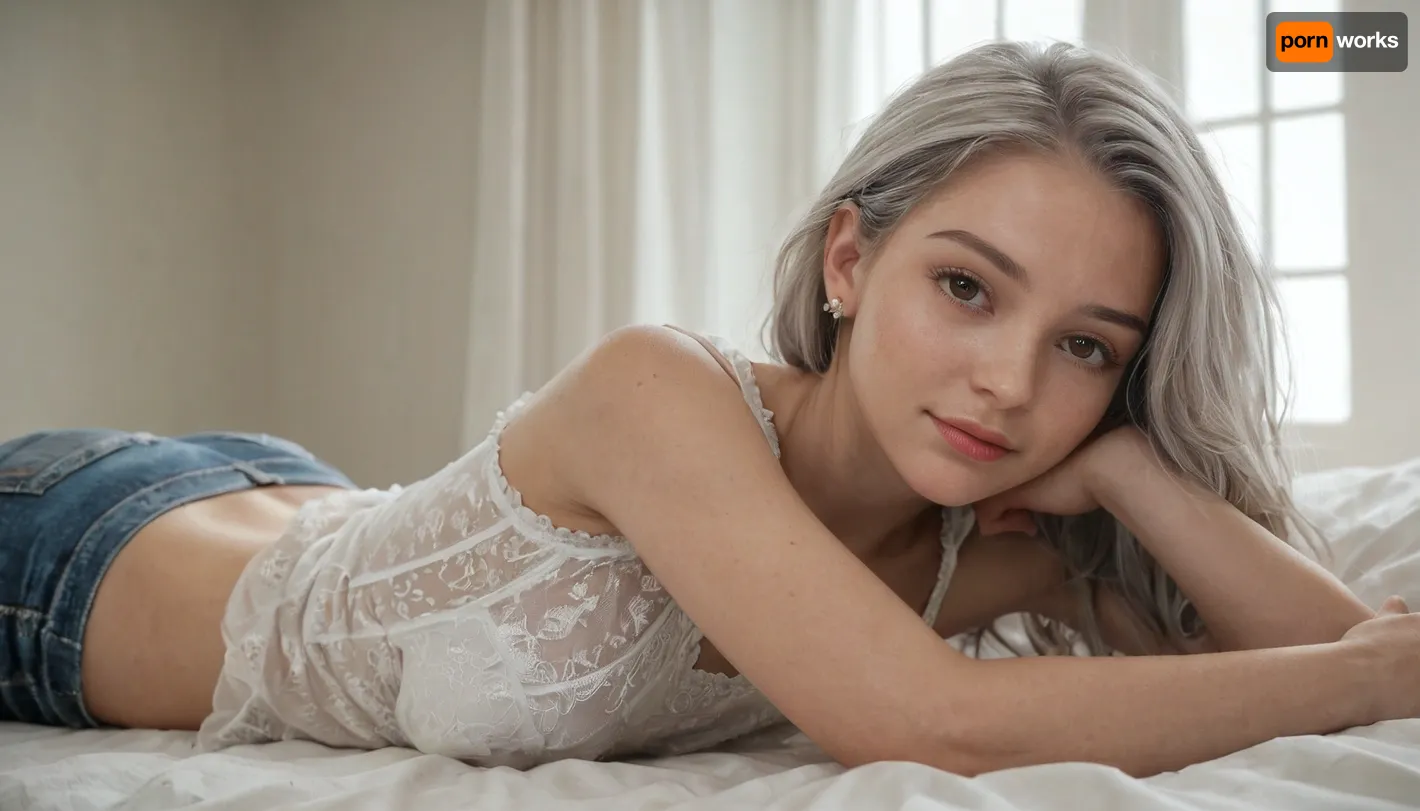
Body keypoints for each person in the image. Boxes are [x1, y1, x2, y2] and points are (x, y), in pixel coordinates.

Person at [2, 40, 1417, 778]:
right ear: (853, 258)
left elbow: (1320, 644)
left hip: (310, 495)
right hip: (78, 550)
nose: (1010, 382)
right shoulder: (655, 389)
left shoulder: (979, 540)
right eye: (970, 288)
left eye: (1088, 346)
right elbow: (930, 720)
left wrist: (1127, 475)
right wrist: (1367, 678)